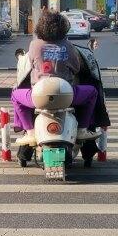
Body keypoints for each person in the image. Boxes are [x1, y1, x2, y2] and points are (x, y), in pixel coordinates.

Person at [11, 10, 100, 146]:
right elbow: (76, 68)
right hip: (66, 95)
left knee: (15, 95)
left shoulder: (34, 45)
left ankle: (29, 132)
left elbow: (30, 63)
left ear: (40, 27)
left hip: (38, 96)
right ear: (63, 28)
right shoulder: (69, 46)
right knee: (92, 92)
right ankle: (82, 129)